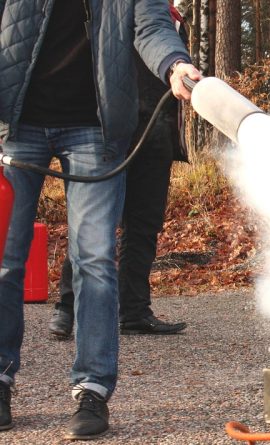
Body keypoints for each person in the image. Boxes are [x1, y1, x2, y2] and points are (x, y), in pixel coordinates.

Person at [0, 0, 201, 439]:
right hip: (15, 124)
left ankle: (91, 389)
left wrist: (175, 65)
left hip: (96, 128)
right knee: (5, 260)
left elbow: (151, 27)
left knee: (93, 259)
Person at [48, 5, 190, 339]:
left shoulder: (173, 18)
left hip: (157, 130)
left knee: (143, 226)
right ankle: (67, 309)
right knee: (94, 223)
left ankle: (135, 311)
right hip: (111, 130)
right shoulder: (115, 10)